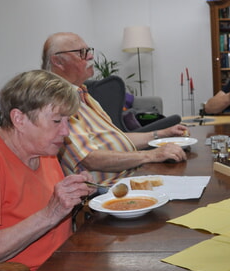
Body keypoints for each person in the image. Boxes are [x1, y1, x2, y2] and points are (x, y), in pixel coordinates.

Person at [0, 70, 96, 271]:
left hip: (62, 264)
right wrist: (51, 213)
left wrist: (75, 192)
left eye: (68, 121)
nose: (66, 132)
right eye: (57, 121)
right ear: (19, 119)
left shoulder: (43, 149)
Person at [42, 32, 188, 185]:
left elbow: (116, 138)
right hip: (107, 189)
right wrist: (151, 156)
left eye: (89, 50)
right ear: (58, 61)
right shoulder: (56, 101)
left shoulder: (83, 93)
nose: (91, 56)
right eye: (81, 53)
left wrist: (162, 134)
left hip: (128, 175)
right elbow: (89, 158)